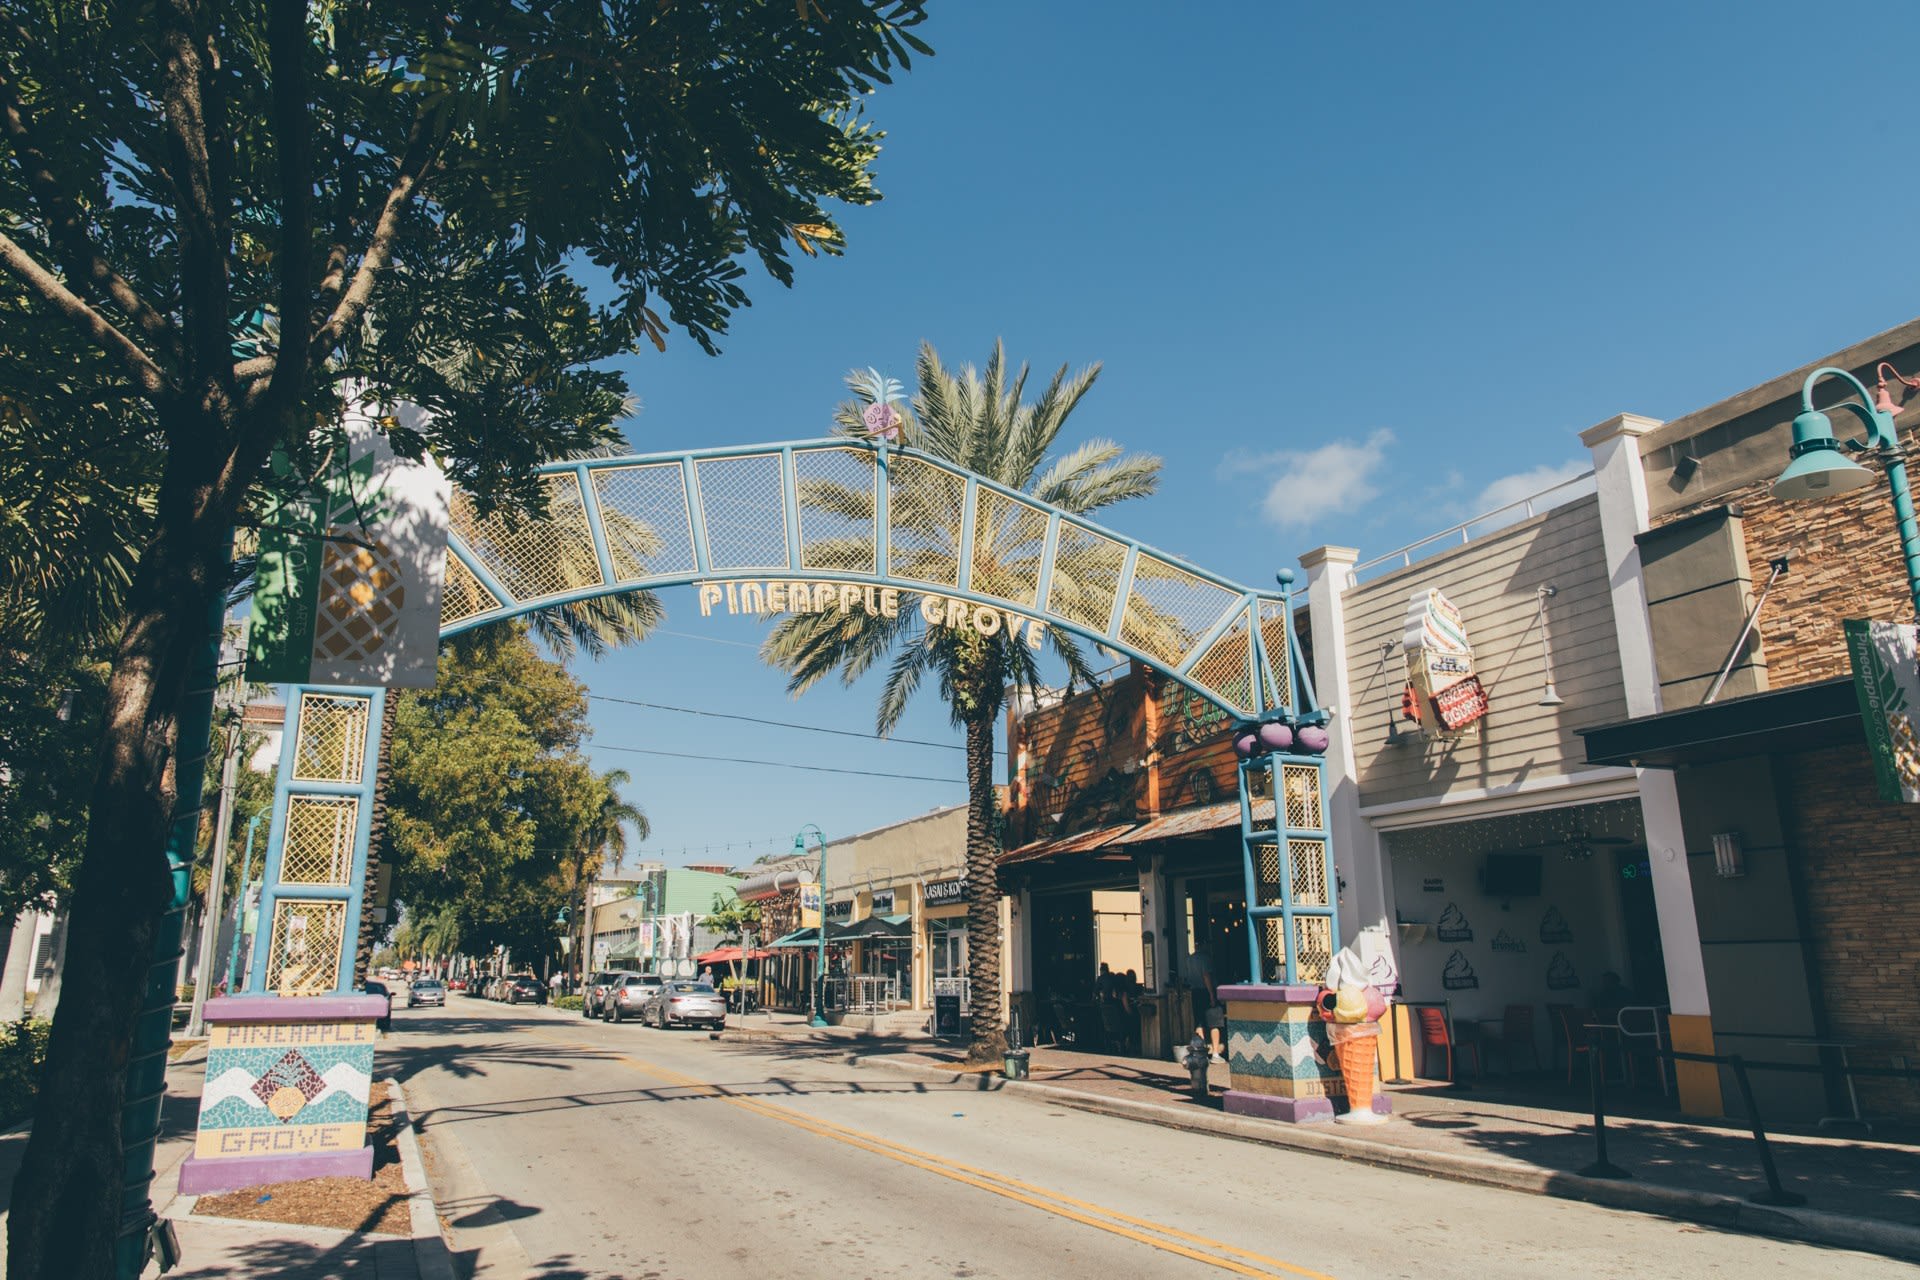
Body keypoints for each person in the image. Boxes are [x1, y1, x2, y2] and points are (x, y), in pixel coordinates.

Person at [1189, 948, 1224, 1063]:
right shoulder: (1205, 958)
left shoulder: (1190, 959)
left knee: (1199, 1023)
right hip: (1206, 991)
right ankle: (1215, 1053)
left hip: (1195, 992)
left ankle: (1200, 1053)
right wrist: (1211, 994)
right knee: (1214, 1023)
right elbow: (1206, 976)